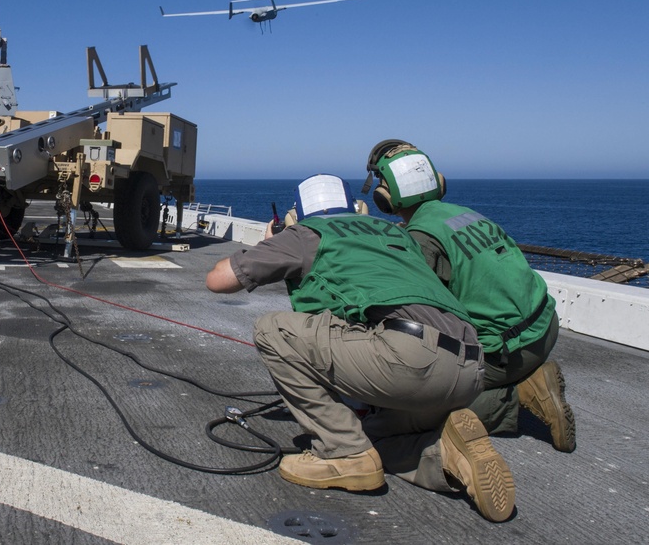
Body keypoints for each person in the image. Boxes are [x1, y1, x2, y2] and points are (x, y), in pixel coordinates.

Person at [206, 174, 516, 522]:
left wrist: (271, 243)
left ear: (297, 215)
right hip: (470, 366)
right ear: (356, 207)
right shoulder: (396, 233)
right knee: (371, 438)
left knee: (272, 329)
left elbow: (218, 280)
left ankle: (342, 453)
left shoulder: (306, 234)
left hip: (411, 360)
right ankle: (445, 456)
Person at [363, 140, 576, 453]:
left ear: (386, 196)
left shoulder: (421, 239)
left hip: (505, 354)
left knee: (403, 416)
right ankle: (526, 380)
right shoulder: (462, 214)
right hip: (544, 326)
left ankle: (519, 396)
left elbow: (405, 307)